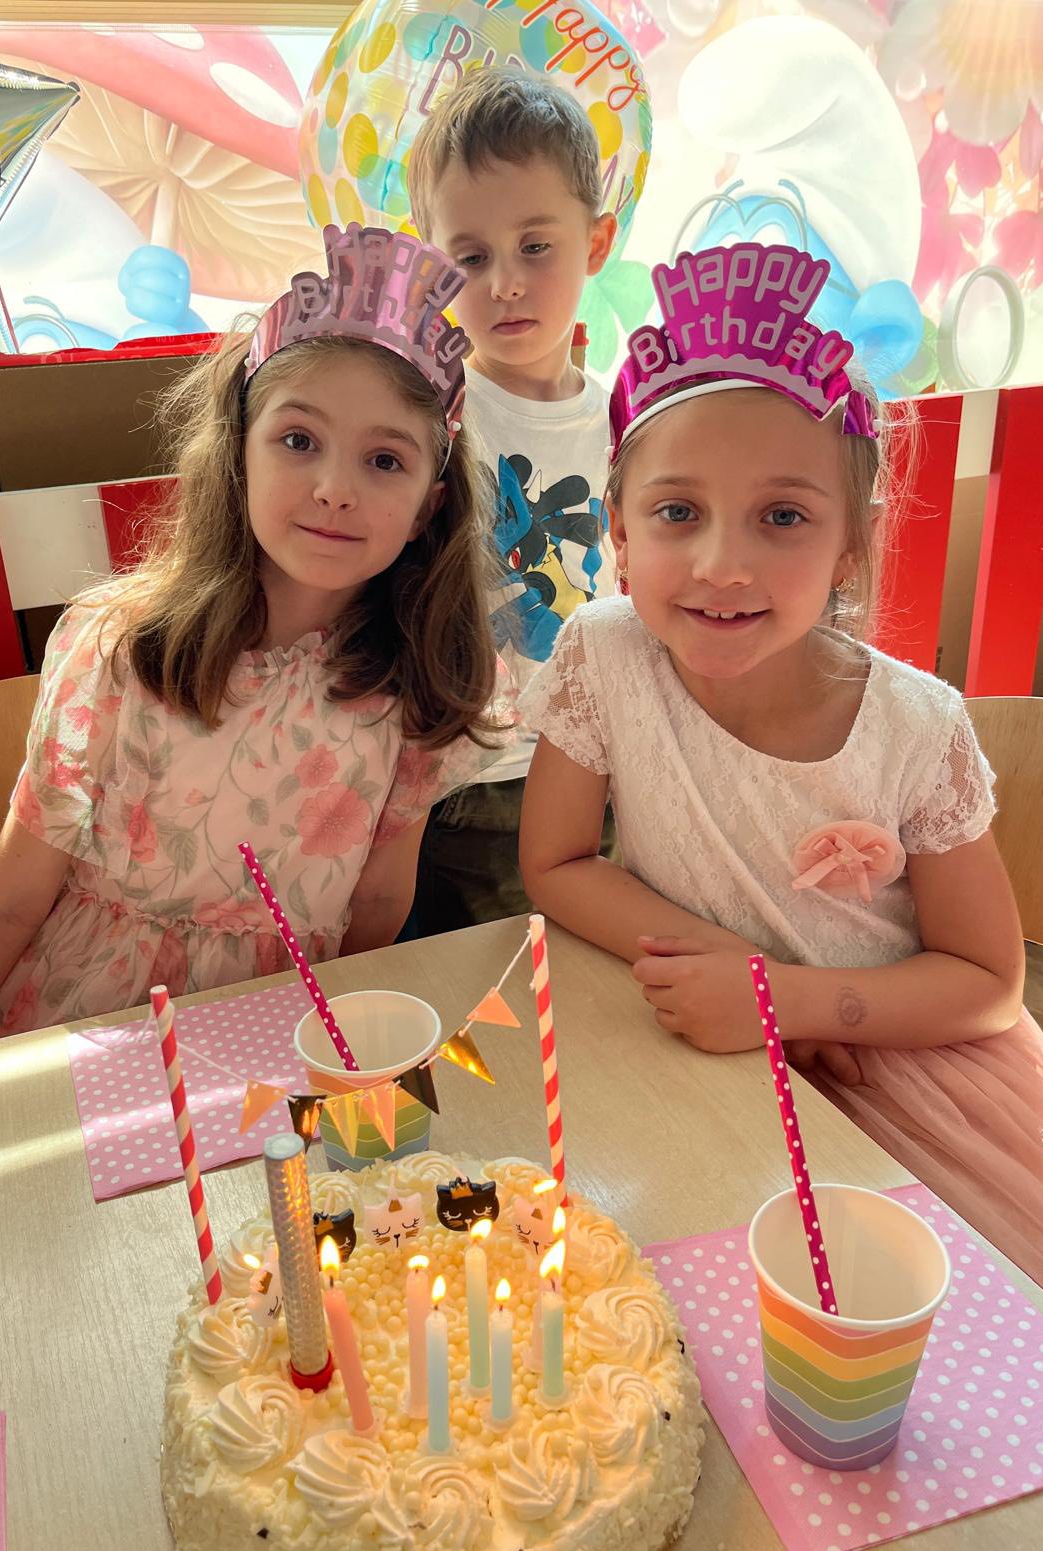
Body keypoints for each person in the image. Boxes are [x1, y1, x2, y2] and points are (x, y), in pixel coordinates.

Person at [520, 239, 1043, 1308]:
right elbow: (554, 862)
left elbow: (987, 982)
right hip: (699, 1033)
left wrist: (790, 1003)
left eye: (782, 518)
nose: (723, 564)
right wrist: (742, 979)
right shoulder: (603, 655)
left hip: (902, 1077)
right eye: (678, 512)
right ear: (620, 529)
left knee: (907, 1345)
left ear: (851, 545)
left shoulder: (916, 727)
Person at [0, 223, 509, 1051]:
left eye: (385, 460)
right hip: (90, 1027)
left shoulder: (416, 689)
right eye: (298, 441)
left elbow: (377, 905)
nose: (334, 488)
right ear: (239, 453)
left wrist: (345, 1052)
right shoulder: (119, 651)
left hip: (283, 1036)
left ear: (427, 508)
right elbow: (12, 897)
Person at [404, 68, 618, 933]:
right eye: (470, 258)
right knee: (506, 983)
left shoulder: (630, 418)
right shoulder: (428, 415)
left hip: (609, 767)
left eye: (535, 246)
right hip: (472, 784)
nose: (505, 283)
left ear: (596, 243)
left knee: (601, 976)